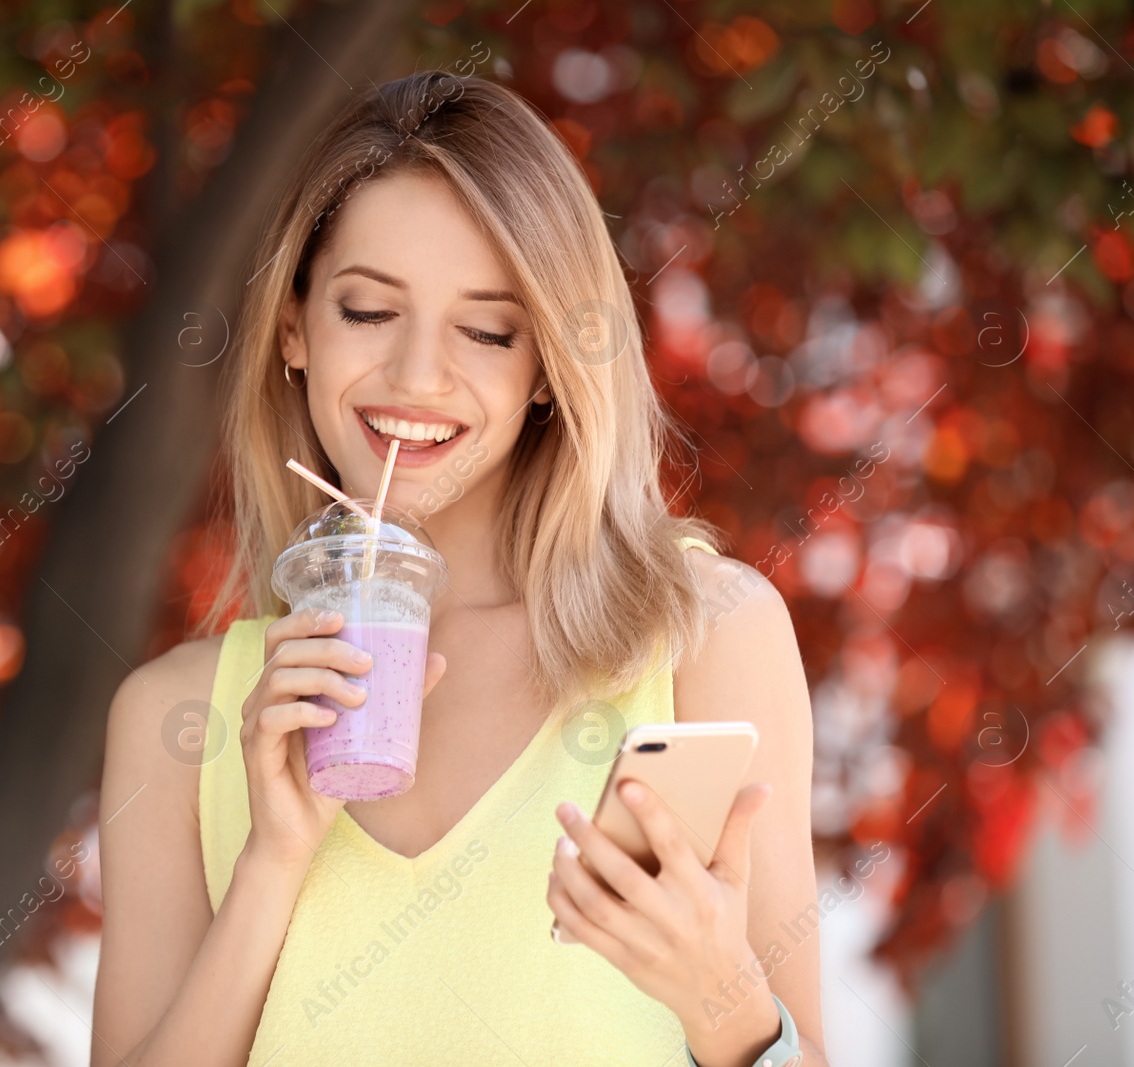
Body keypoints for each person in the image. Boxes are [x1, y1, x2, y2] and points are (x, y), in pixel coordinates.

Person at [92, 70, 829, 1067]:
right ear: (294, 328)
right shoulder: (177, 721)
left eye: (486, 329)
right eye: (367, 312)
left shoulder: (704, 638)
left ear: (543, 370)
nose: (417, 377)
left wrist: (727, 1005)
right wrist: (272, 861)